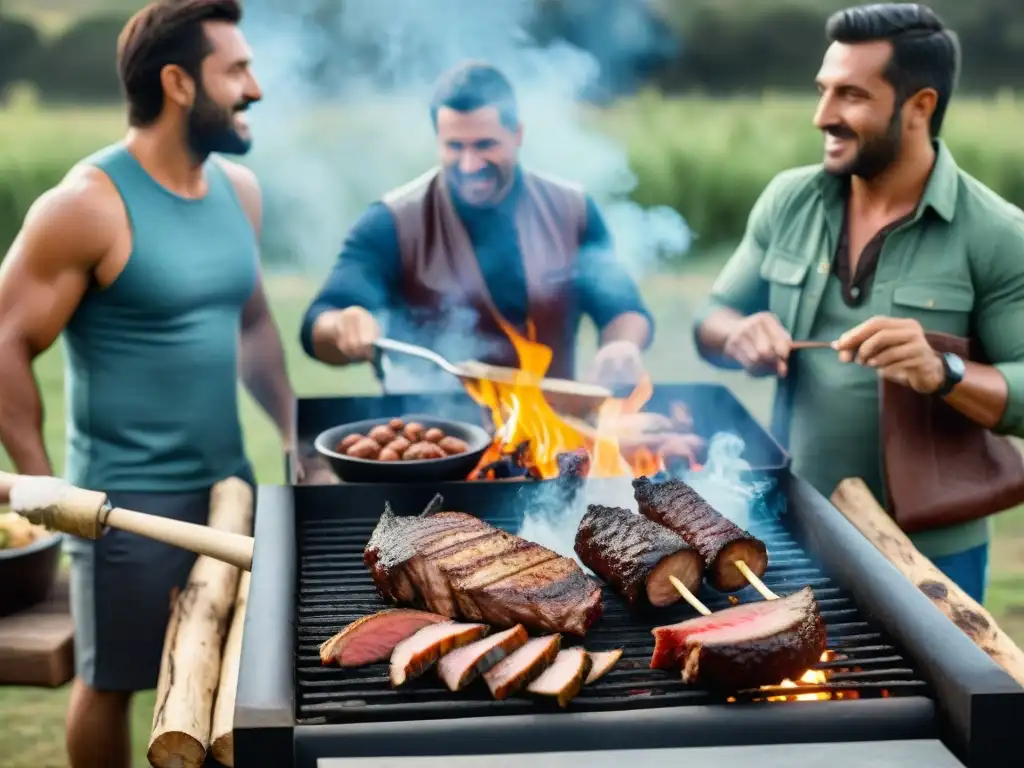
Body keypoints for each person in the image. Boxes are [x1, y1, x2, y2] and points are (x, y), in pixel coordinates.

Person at [0, 2, 295, 766]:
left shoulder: (241, 192)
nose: (254, 87)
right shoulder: (86, 204)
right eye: (236, 70)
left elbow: (255, 324)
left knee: (229, 687)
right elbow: (4, 340)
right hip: (120, 509)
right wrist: (42, 482)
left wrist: (294, 435)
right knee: (114, 683)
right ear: (178, 83)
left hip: (230, 492)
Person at [692, 3, 1024, 604]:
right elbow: (711, 318)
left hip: (933, 551)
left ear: (919, 106)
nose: (823, 116)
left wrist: (942, 371)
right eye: (823, 91)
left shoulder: (997, 233)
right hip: (792, 529)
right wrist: (737, 333)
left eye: (851, 96)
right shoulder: (787, 199)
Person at [300, 61, 655, 392]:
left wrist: (622, 344)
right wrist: (342, 326)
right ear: (437, 140)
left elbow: (623, 307)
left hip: (548, 436)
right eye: (455, 146)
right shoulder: (391, 221)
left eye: (485, 145)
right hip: (430, 437)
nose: (469, 165)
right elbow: (320, 321)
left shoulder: (572, 210)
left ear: (517, 134)